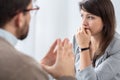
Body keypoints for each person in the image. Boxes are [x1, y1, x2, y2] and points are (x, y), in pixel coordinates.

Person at [0, 0, 76, 80]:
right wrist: (67, 76)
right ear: (20, 18)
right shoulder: (24, 67)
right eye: (31, 11)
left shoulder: (25, 68)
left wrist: (39, 70)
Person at [73, 0, 120, 80]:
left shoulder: (117, 47)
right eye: (82, 16)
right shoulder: (78, 38)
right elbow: (69, 73)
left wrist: (84, 47)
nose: (83, 23)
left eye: (90, 17)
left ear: (105, 20)